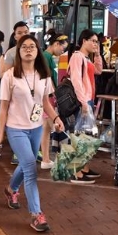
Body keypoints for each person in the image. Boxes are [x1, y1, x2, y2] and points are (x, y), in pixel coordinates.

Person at [0, 35, 64, 232]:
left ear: (37, 50)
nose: (28, 49)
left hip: (36, 127)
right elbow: (3, 108)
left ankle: (11, 190)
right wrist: (0, 136)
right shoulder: (9, 76)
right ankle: (37, 214)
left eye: (32, 46)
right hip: (16, 128)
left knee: (28, 163)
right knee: (30, 169)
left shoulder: (44, 75)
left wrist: (56, 119)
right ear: (18, 52)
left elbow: (45, 104)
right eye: (23, 47)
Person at [67, 29, 102, 184]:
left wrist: (98, 54)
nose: (95, 44)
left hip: (88, 99)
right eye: (93, 41)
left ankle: (84, 168)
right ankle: (76, 172)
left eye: (97, 42)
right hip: (83, 101)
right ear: (84, 41)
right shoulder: (77, 57)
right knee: (81, 137)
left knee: (87, 136)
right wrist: (83, 102)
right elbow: (76, 80)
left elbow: (98, 71)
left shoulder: (86, 58)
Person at [39, 33, 68, 169]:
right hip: (48, 97)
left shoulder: (45, 56)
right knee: (57, 126)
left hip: (46, 96)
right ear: (56, 44)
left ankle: (46, 159)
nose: (63, 51)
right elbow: (48, 78)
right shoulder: (47, 57)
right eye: (62, 48)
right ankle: (61, 160)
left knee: (46, 128)